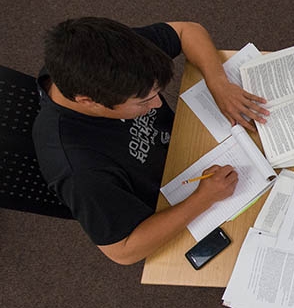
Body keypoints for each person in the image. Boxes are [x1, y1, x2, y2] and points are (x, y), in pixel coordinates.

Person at [32, 17, 269, 265]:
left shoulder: (112, 56)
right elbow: (123, 250)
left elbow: (187, 30)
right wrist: (202, 199)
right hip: (168, 198)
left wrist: (219, 85)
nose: (157, 104)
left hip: (185, 144)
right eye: (143, 101)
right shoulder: (80, 170)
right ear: (87, 101)